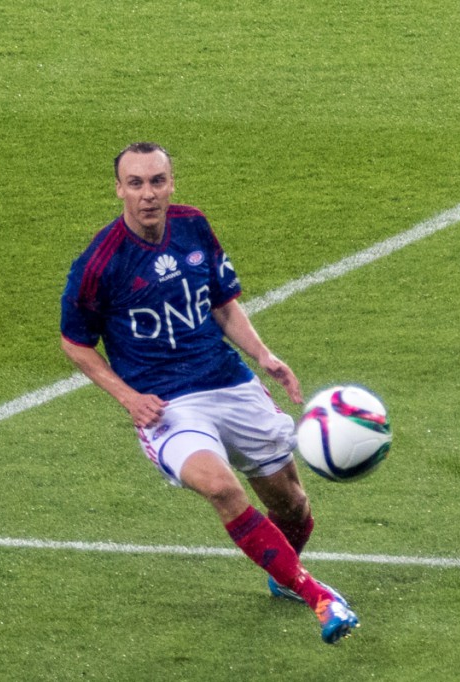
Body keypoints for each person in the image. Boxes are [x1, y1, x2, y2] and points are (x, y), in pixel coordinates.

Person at [60, 142, 358, 644]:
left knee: (293, 508)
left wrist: (264, 356)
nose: (147, 194)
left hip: (228, 381)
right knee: (221, 487)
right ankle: (317, 596)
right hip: (167, 407)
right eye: (135, 183)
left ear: (171, 183)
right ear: (118, 190)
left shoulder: (194, 225)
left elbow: (222, 304)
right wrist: (128, 397)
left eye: (157, 181)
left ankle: (285, 571)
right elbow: (75, 344)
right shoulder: (99, 263)